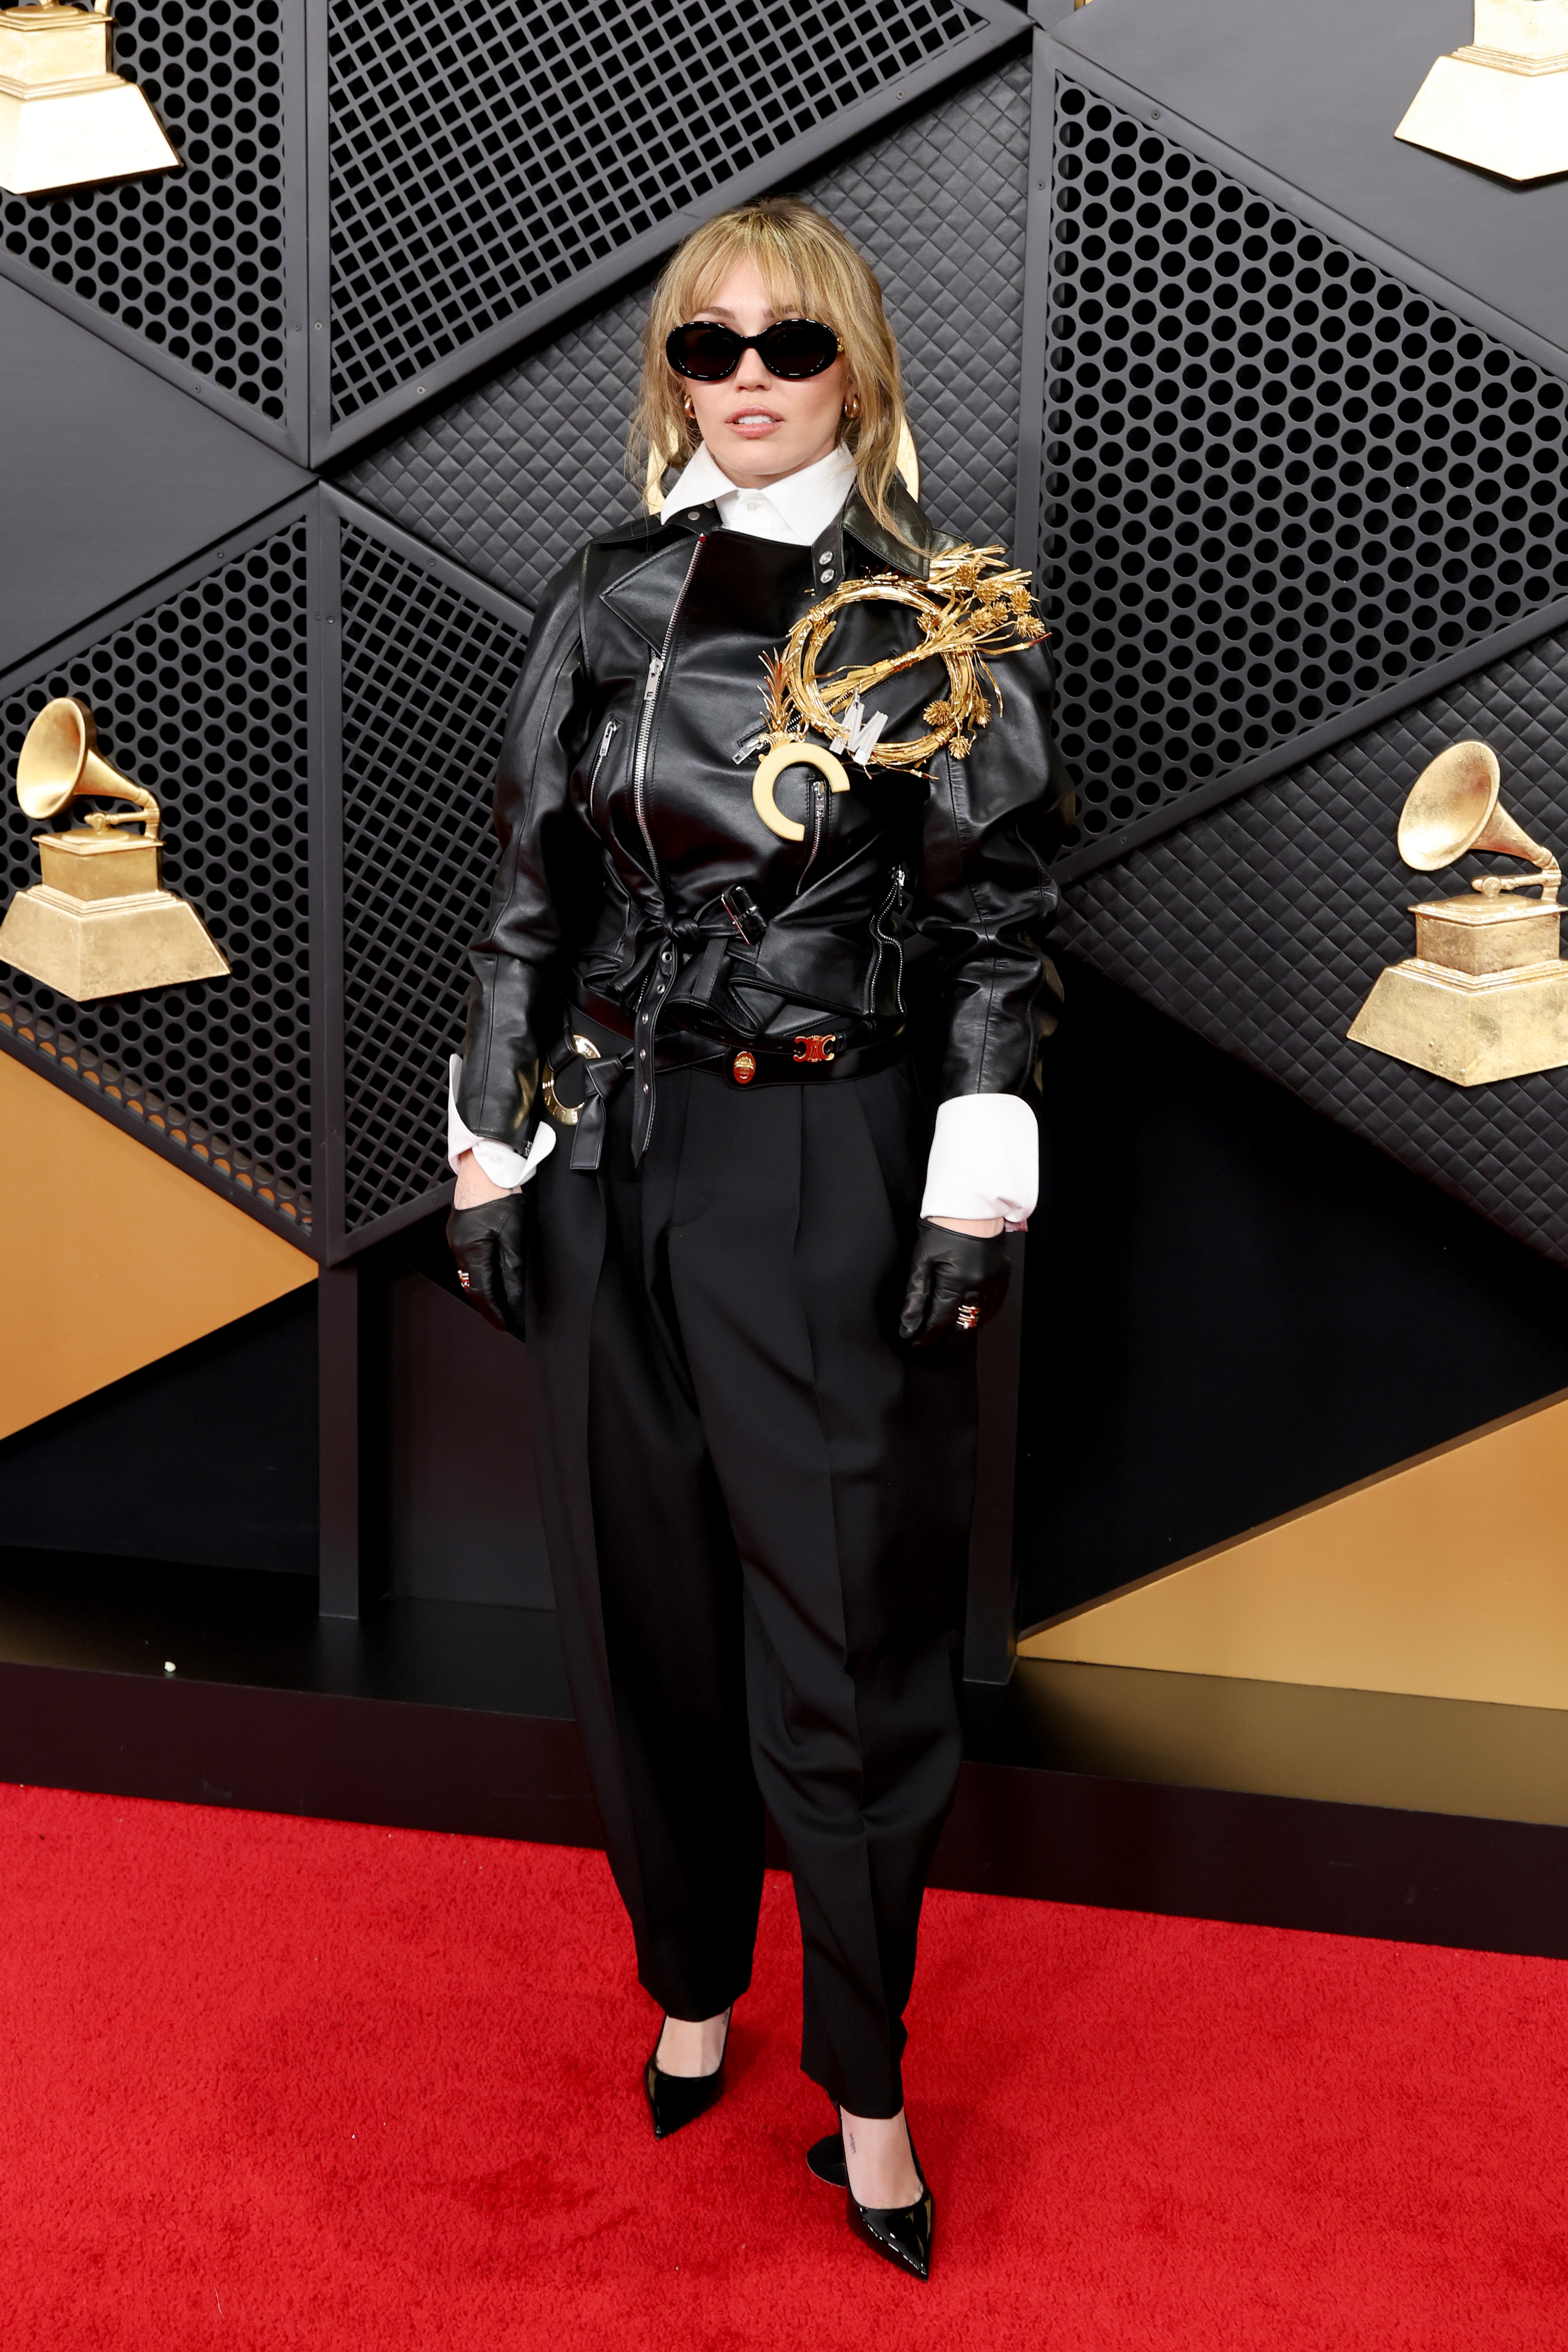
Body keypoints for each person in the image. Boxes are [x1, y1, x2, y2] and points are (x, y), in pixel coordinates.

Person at [445, 195, 1068, 2280]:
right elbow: (536, 898)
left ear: (859, 368)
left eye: (789, 344)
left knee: (852, 1637)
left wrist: (971, 1183)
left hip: (832, 1158)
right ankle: (693, 1974)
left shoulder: (931, 622)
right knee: (641, 1610)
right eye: (707, 347)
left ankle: (868, 2085)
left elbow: (1001, 923)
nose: (747, 379)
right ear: (672, 373)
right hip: (609, 1151)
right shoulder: (601, 594)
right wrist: (489, 1153)